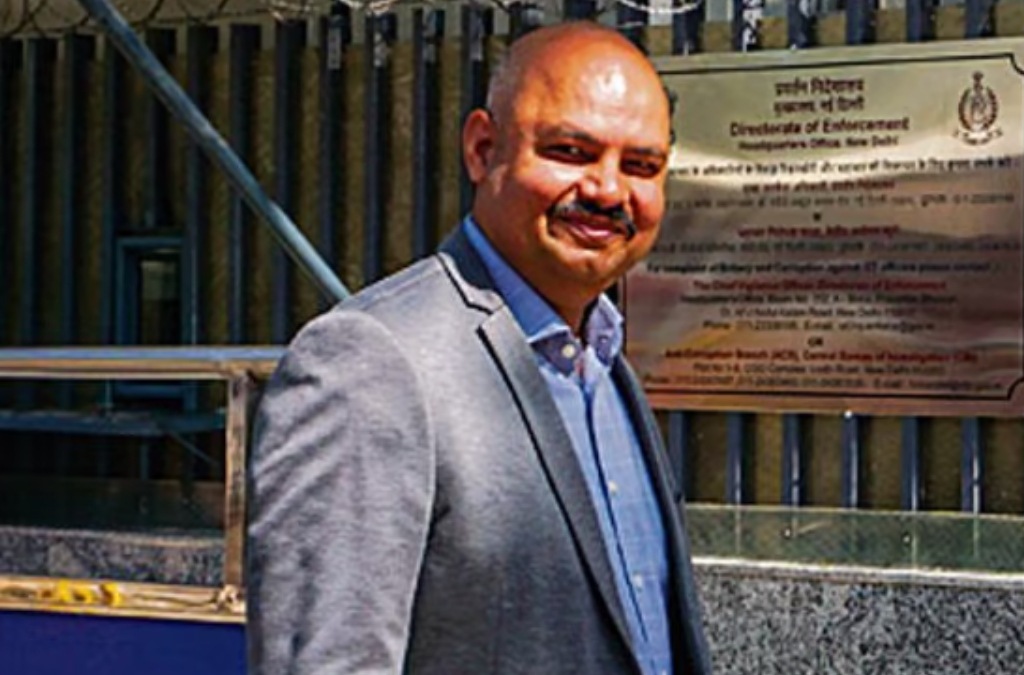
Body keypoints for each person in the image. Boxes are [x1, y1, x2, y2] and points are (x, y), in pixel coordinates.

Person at [247, 21, 712, 675]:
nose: (609, 190)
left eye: (641, 166)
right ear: (482, 148)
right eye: (571, 151)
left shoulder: (605, 368)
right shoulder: (372, 362)